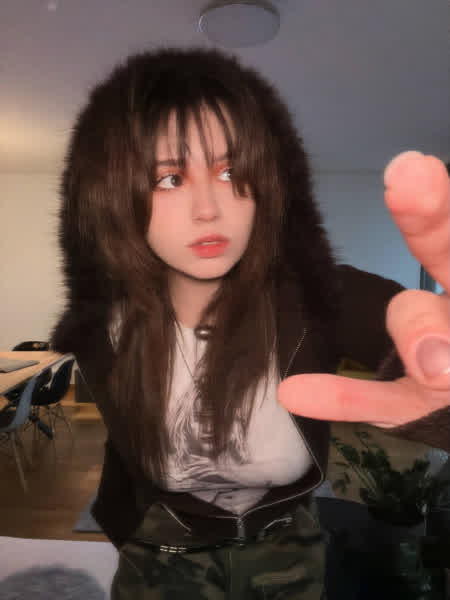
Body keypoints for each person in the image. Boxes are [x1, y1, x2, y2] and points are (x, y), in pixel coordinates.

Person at [50, 47, 449, 599]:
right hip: (161, 547)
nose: (208, 208)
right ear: (111, 196)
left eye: (231, 171)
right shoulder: (103, 326)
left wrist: (437, 394)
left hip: (288, 544)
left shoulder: (322, 291)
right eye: (169, 179)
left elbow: (416, 341)